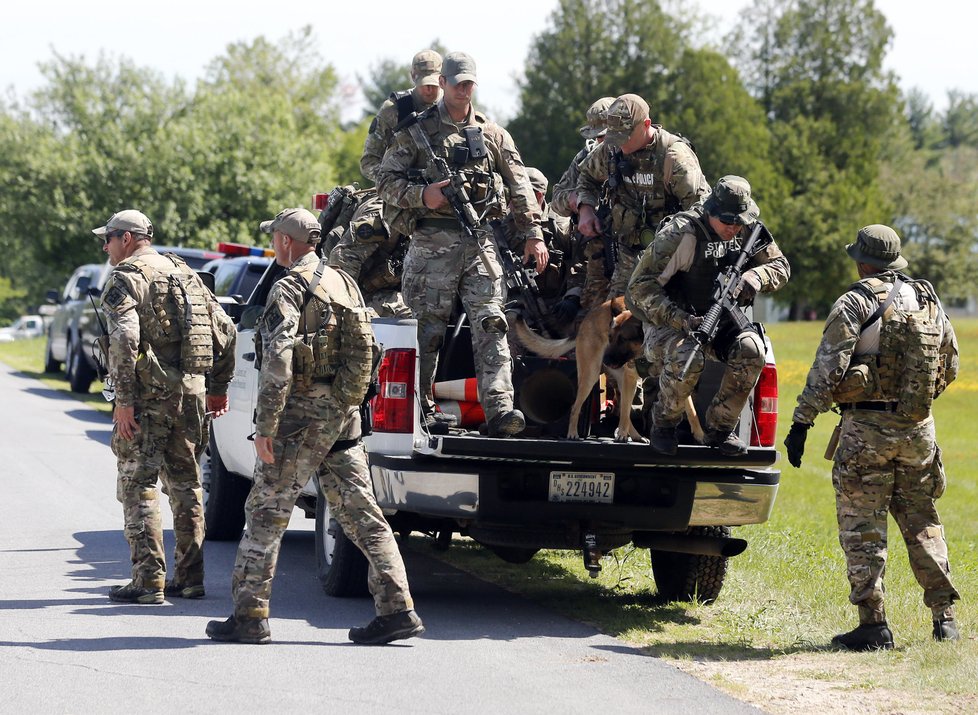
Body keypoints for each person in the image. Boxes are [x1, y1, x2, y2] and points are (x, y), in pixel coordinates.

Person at [206, 208, 422, 645]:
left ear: (286, 241)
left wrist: (266, 424)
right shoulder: (344, 282)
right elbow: (365, 348)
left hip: (298, 420)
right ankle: (398, 610)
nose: (274, 246)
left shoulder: (289, 288)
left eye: (275, 239)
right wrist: (344, 402)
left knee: (266, 511)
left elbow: (280, 358)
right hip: (341, 417)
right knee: (362, 514)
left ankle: (249, 616)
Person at [784, 225, 960, 651]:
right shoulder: (927, 298)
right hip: (919, 431)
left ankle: (873, 624)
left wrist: (801, 424)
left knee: (863, 527)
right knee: (922, 521)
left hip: (866, 433)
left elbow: (827, 370)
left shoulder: (856, 301)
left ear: (862, 261)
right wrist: (911, 404)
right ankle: (945, 618)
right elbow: (950, 365)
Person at [376, 51, 544, 437]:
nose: (465, 90)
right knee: (425, 330)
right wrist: (423, 196)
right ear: (444, 84)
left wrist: (533, 232)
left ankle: (500, 408)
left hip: (481, 242)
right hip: (432, 242)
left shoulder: (492, 133)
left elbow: (519, 184)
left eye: (470, 84)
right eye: (458, 83)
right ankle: (419, 407)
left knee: (492, 323)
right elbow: (385, 181)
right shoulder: (415, 132)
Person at [94, 209, 235, 604]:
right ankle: (191, 579)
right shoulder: (185, 273)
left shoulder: (126, 278)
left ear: (126, 238)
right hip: (191, 394)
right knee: (187, 486)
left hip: (148, 398)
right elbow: (225, 330)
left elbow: (124, 341)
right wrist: (217, 388)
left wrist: (124, 403)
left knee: (138, 486)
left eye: (107, 238)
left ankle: (147, 580)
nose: (105, 246)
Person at [627, 176, 790, 456]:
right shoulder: (681, 233)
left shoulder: (747, 231)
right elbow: (638, 289)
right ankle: (664, 424)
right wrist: (681, 319)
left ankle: (721, 428)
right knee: (687, 357)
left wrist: (755, 276)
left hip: (720, 319)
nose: (734, 227)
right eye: (727, 221)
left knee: (752, 350)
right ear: (711, 210)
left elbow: (781, 266)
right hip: (670, 321)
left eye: (739, 221)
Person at [577, 93, 710, 310]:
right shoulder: (612, 147)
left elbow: (701, 210)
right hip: (629, 254)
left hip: (669, 261)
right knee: (614, 322)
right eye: (615, 135)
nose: (621, 143)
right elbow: (587, 177)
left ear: (646, 124)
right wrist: (586, 208)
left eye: (626, 135)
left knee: (668, 321)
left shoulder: (674, 157)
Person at [496, 166, 584, 337]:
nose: (512, 202)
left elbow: (579, 263)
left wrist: (572, 297)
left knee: (584, 328)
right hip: (513, 306)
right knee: (507, 328)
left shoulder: (560, 225)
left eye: (518, 196)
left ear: (537, 196)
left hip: (557, 306)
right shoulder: (500, 226)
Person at [360, 50, 443, 184]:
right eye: (424, 83)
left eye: (433, 84)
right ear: (413, 76)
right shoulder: (393, 109)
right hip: (403, 197)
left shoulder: (452, 105)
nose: (429, 89)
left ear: (443, 79)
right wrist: (395, 182)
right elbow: (369, 162)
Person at [328, 191, 412, 319]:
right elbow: (342, 258)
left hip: (397, 289)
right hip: (363, 294)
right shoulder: (386, 213)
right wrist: (350, 313)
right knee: (414, 314)